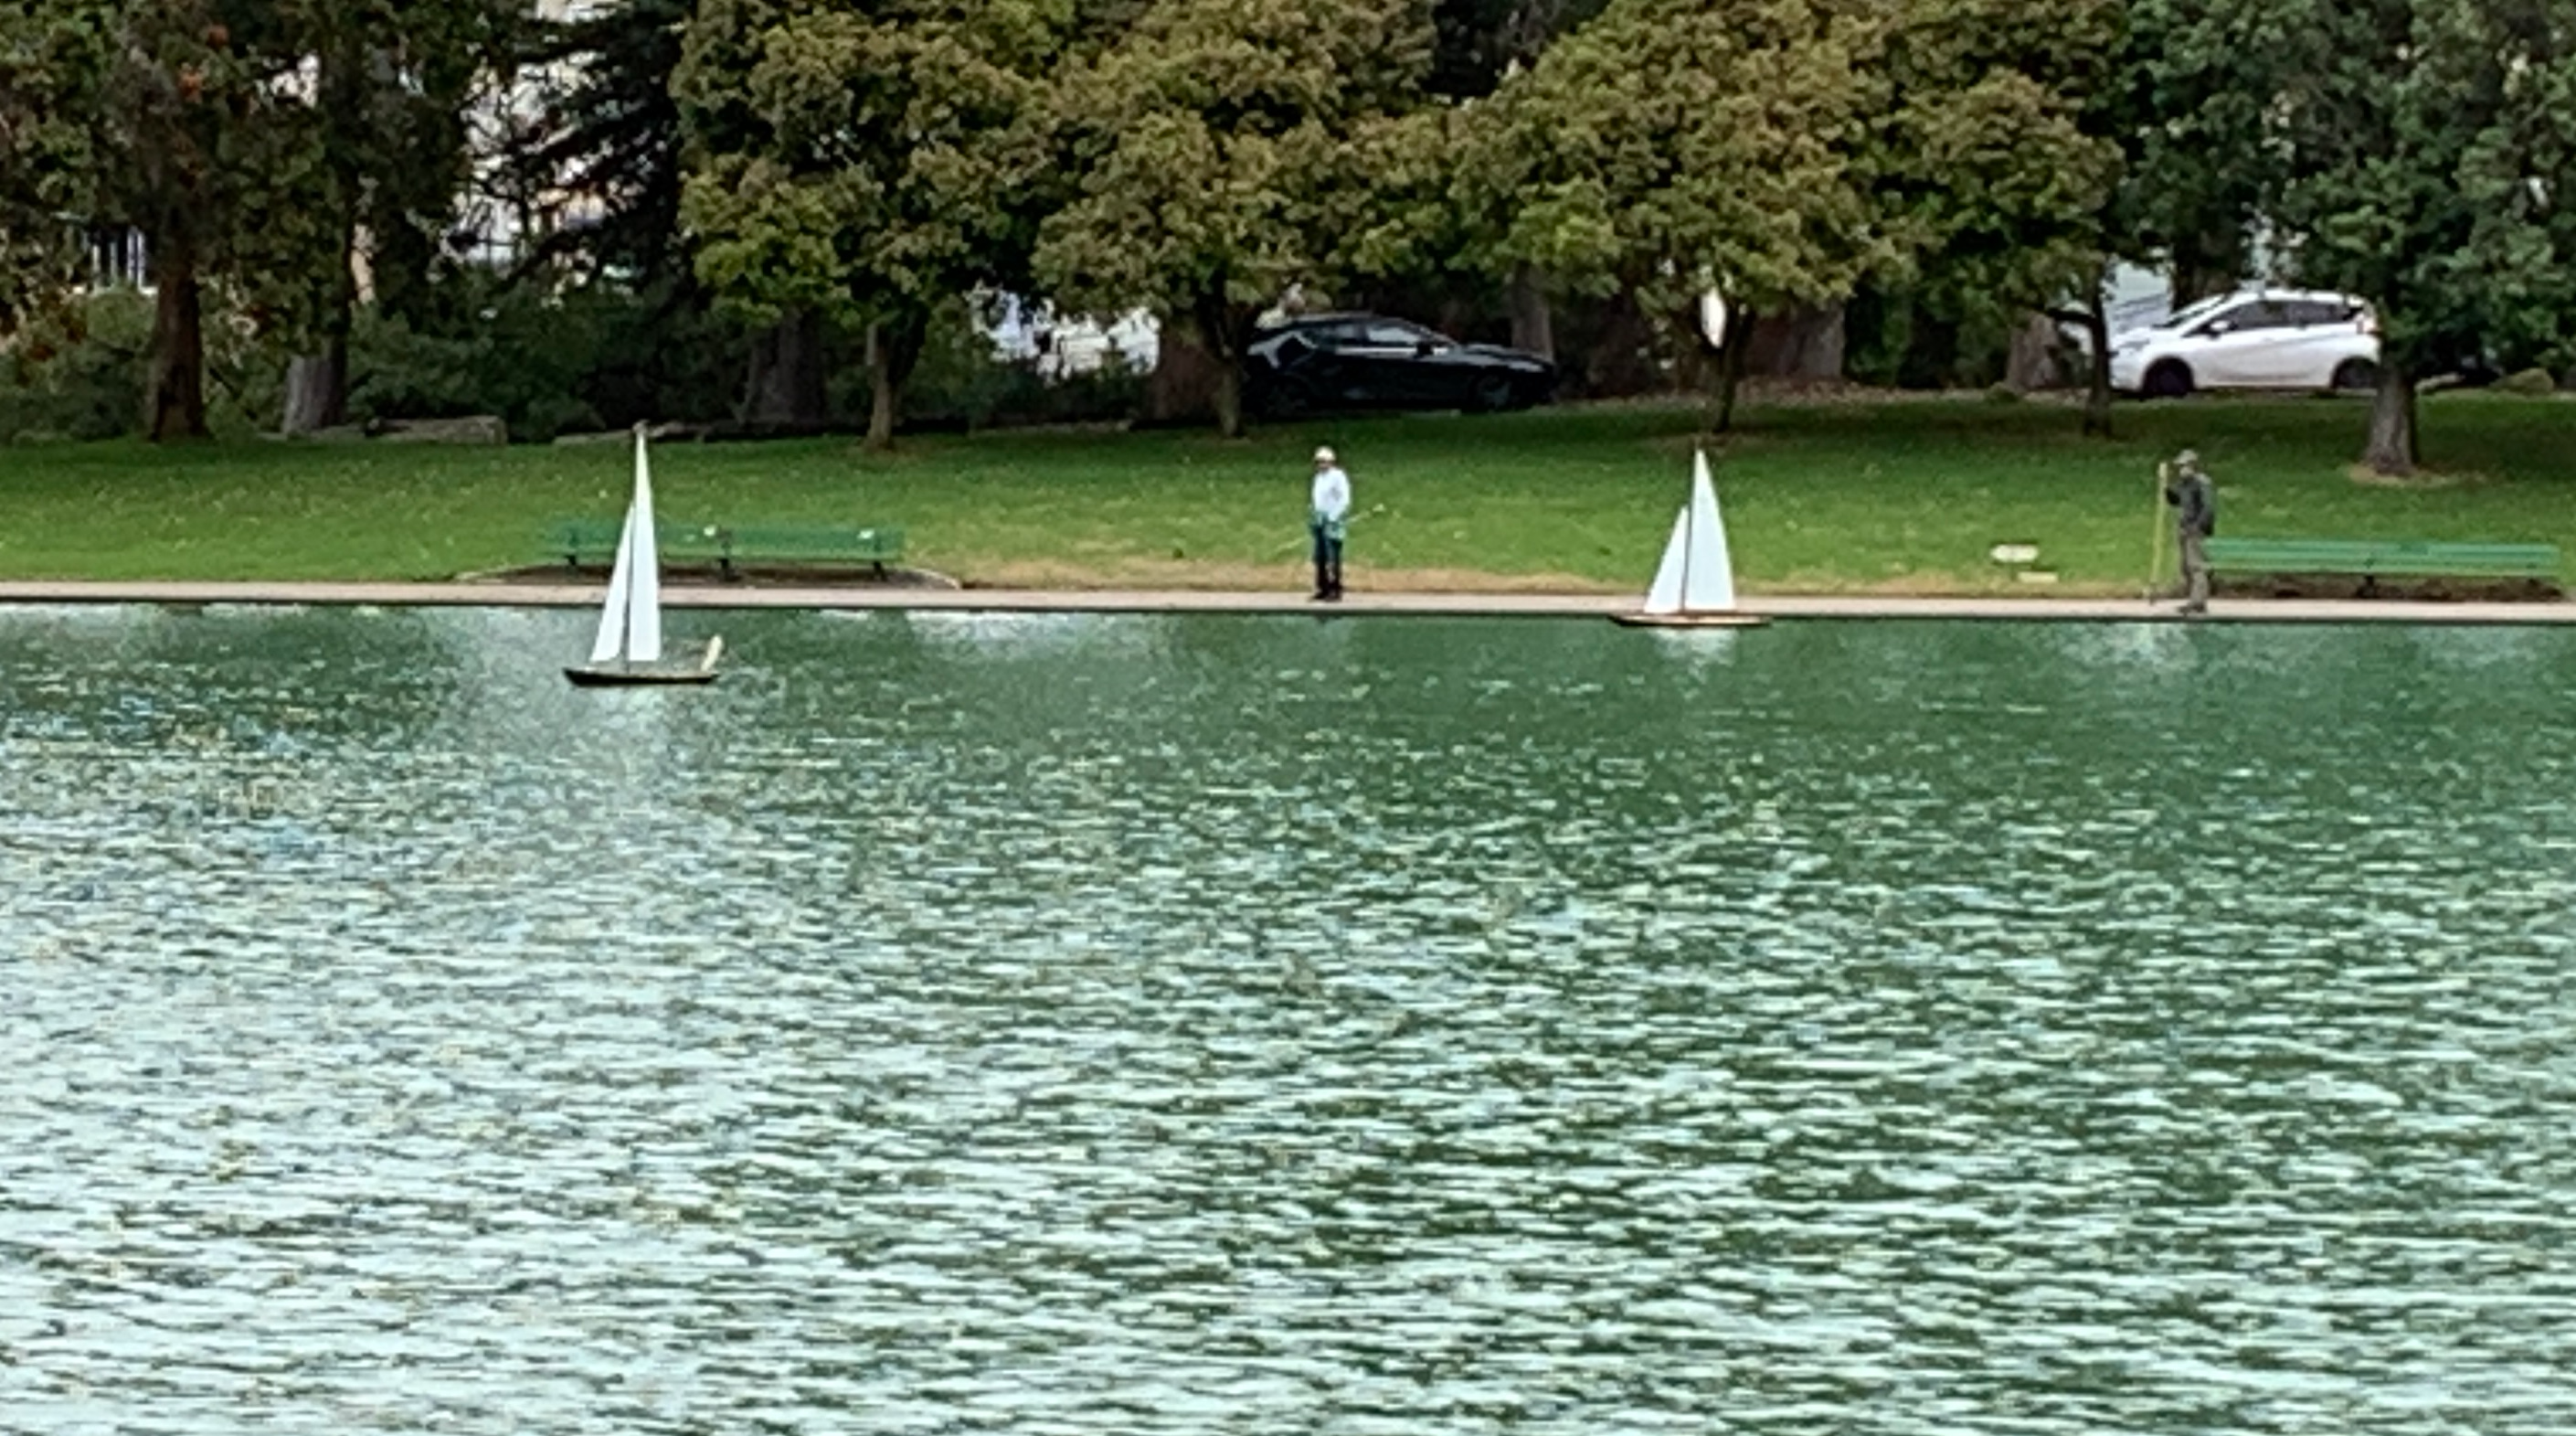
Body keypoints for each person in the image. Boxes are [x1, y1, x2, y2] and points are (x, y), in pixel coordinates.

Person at [2164, 449, 2216, 614]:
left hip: (2195, 530)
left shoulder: (2202, 483)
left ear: (2192, 465)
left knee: (2195, 566)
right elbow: (2176, 500)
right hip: (2184, 527)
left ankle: (2198, 602)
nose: (2181, 469)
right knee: (2185, 566)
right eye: (2180, 466)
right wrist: (2166, 489)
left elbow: (2208, 508)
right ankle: (2193, 599)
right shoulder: (2183, 484)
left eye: (2184, 466)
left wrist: (2198, 526)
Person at [1309, 445, 1351, 601]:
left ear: (1331, 462)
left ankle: (1335, 588)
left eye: (1324, 461)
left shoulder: (1338, 476)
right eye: (1319, 462)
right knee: (1320, 557)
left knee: (1333, 556)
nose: (1321, 465)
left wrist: (1333, 517)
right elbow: (1317, 499)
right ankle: (1322, 587)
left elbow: (1344, 499)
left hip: (1333, 522)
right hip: (1319, 520)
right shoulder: (1318, 478)